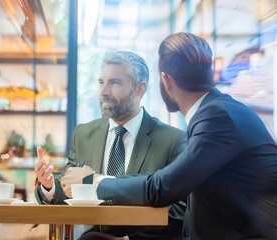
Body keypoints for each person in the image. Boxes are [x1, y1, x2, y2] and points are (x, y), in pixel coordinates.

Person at [65, 32, 277, 239]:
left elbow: (163, 187)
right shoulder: (218, 112)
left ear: (166, 80)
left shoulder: (217, 118)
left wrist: (96, 182)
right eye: (101, 82)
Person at [34, 51, 186, 239]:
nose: (103, 92)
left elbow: (179, 211)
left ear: (140, 89)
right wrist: (50, 187)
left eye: (114, 82)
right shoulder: (83, 134)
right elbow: (70, 193)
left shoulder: (172, 140)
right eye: (101, 82)